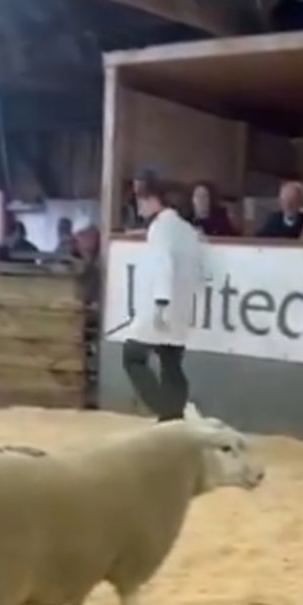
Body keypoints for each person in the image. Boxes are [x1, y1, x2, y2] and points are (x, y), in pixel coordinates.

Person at [121, 177, 203, 422]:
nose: (139, 205)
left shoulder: (160, 227)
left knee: (133, 357)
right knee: (171, 362)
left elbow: (163, 263)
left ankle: (166, 412)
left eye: (141, 199)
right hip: (181, 305)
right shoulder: (188, 230)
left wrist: (161, 302)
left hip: (161, 304)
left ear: (153, 199)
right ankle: (175, 417)